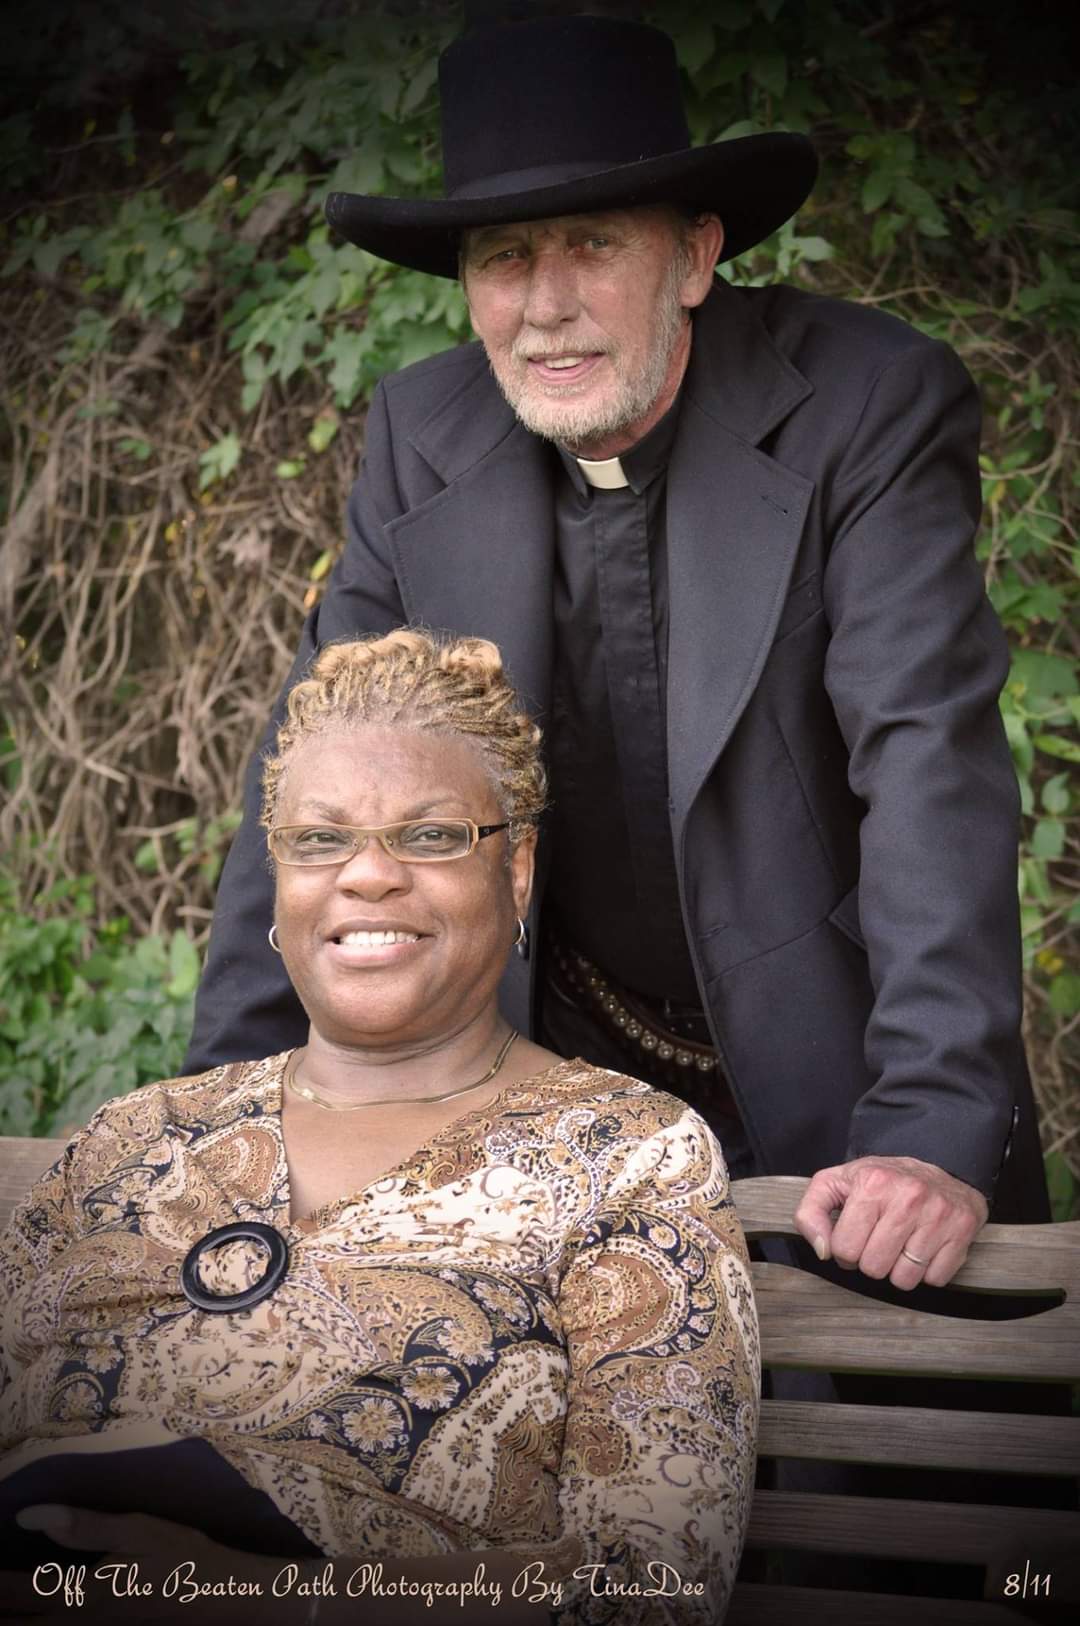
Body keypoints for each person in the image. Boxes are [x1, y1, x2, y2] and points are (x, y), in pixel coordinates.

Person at [186, 13, 1049, 1292]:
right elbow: (323, 767)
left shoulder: (868, 403)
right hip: (546, 1082)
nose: (545, 305)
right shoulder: (422, 431)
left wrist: (927, 1123)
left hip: (841, 1077)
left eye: (593, 245)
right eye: (504, 256)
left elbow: (925, 756)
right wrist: (220, 1104)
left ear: (695, 255)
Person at [0, 630, 759, 1625]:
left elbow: (656, 1586)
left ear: (517, 869)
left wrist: (264, 1601)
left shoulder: (629, 1159)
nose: (367, 876)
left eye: (431, 835)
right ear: (279, 873)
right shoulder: (132, 1141)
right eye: (321, 839)